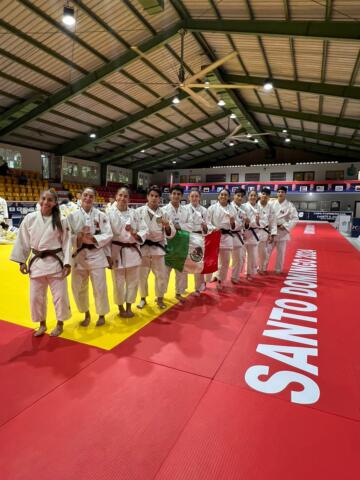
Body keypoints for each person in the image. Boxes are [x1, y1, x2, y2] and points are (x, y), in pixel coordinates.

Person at [10, 189, 72, 337]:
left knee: (60, 296)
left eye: (50, 200)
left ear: (55, 203)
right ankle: (42, 324)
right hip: (36, 263)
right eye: (43, 198)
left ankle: (60, 323)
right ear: (39, 200)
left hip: (56, 263)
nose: (46, 202)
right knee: (36, 297)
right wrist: (22, 261)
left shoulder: (62, 220)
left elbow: (67, 243)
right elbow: (23, 240)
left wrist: (67, 263)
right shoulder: (30, 218)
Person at [67, 187, 113, 327]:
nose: (87, 198)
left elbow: (109, 234)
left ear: (94, 199)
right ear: (80, 197)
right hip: (79, 254)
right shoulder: (72, 216)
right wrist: (78, 237)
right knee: (78, 287)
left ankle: (101, 314)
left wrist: (94, 238)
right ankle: (86, 313)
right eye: (85, 195)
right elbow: (67, 237)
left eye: (91, 196)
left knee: (100, 287)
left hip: (96, 253)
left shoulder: (101, 215)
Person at [108, 187, 148, 318]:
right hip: (116, 251)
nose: (123, 198)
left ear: (129, 199)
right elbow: (106, 235)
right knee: (118, 283)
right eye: (120, 195)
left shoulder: (135, 213)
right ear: (116, 197)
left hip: (132, 251)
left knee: (133, 281)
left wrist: (135, 234)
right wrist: (107, 256)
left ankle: (129, 306)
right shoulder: (108, 213)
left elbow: (144, 229)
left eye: (126, 196)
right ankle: (120, 307)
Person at [136, 185, 175, 309]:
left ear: (160, 199)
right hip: (143, 248)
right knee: (142, 275)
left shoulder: (164, 213)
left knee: (161, 275)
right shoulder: (139, 212)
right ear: (147, 197)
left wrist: (167, 226)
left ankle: (160, 298)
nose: (153, 198)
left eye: (156, 196)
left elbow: (171, 233)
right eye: (151, 195)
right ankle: (143, 298)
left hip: (158, 248)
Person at [162, 185, 192, 302]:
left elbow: (191, 225)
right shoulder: (163, 210)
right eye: (173, 193)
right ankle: (161, 295)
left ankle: (179, 293)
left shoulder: (186, 210)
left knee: (181, 272)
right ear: (170, 195)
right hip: (167, 244)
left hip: (181, 244)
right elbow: (160, 226)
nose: (176, 196)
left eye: (178, 194)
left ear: (182, 196)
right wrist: (172, 228)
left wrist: (178, 226)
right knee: (165, 272)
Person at [207, 189, 238, 291]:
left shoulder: (232, 209)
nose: (223, 196)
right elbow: (207, 222)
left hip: (227, 236)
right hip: (215, 235)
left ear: (228, 197)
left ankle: (220, 280)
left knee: (225, 261)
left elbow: (235, 225)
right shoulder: (212, 208)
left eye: (225, 195)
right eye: (222, 194)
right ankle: (212, 276)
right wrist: (214, 228)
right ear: (218, 196)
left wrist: (233, 223)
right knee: (213, 259)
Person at [186, 189, 212, 296]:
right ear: (189, 198)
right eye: (192, 196)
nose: (194, 198)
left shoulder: (204, 211)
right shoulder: (184, 209)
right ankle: (182, 288)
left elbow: (209, 225)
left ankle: (199, 287)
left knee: (198, 262)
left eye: (196, 196)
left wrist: (206, 227)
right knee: (187, 263)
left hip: (199, 238)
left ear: (200, 198)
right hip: (187, 237)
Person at [270, 186, 299, 274]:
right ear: (277, 193)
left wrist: (286, 225)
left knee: (281, 253)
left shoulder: (289, 205)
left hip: (282, 232)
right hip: (271, 231)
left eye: (282, 192)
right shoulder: (271, 203)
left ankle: (278, 269)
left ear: (285, 193)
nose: (280, 193)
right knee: (266, 251)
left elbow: (295, 218)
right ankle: (262, 268)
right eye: (279, 192)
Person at [257, 188, 277, 274]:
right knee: (251, 253)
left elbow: (273, 221)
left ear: (269, 197)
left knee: (263, 253)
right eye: (263, 194)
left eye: (267, 195)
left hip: (264, 232)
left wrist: (272, 234)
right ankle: (250, 271)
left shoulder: (271, 208)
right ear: (260, 195)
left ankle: (261, 268)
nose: (265, 196)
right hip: (253, 232)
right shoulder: (254, 205)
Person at [242, 190, 260, 280]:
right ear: (248, 197)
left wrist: (254, 222)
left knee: (252, 256)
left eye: (254, 195)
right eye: (251, 195)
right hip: (243, 233)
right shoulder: (243, 206)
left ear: (257, 197)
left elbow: (263, 221)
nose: (253, 197)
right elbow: (240, 219)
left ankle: (249, 273)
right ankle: (237, 273)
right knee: (241, 256)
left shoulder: (259, 207)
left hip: (254, 233)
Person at [230, 188, 247, 284]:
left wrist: (243, 229)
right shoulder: (228, 206)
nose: (240, 198)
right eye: (238, 195)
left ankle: (235, 277)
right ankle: (217, 276)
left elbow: (245, 223)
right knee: (223, 258)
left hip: (238, 235)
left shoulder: (244, 209)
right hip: (227, 234)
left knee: (239, 258)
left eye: (241, 196)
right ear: (234, 195)